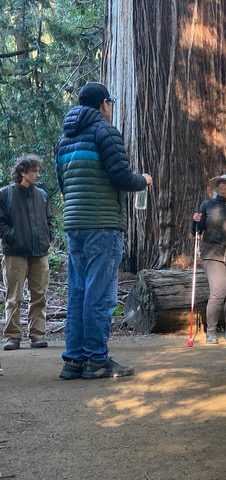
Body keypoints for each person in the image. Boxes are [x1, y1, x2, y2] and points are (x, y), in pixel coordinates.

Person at [55, 82, 153, 380]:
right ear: (103, 104)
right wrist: (144, 180)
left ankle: (74, 360)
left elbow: (63, 185)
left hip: (75, 224)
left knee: (79, 292)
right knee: (100, 295)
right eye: (109, 102)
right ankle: (97, 359)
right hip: (103, 223)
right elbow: (121, 177)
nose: (110, 108)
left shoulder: (64, 139)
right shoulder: (104, 131)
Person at [0, 155, 53, 351]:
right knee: (14, 297)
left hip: (40, 252)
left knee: (39, 295)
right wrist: (13, 236)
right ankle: (12, 337)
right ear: (23, 172)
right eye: (34, 171)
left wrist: (48, 237)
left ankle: (37, 335)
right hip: (15, 253)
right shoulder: (6, 194)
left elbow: (49, 221)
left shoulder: (42, 195)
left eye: (39, 170)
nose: (38, 174)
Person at [191, 174, 226, 344]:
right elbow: (196, 231)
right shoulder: (207, 205)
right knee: (217, 293)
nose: (224, 185)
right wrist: (195, 222)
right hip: (212, 254)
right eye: (221, 182)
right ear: (217, 187)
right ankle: (211, 332)